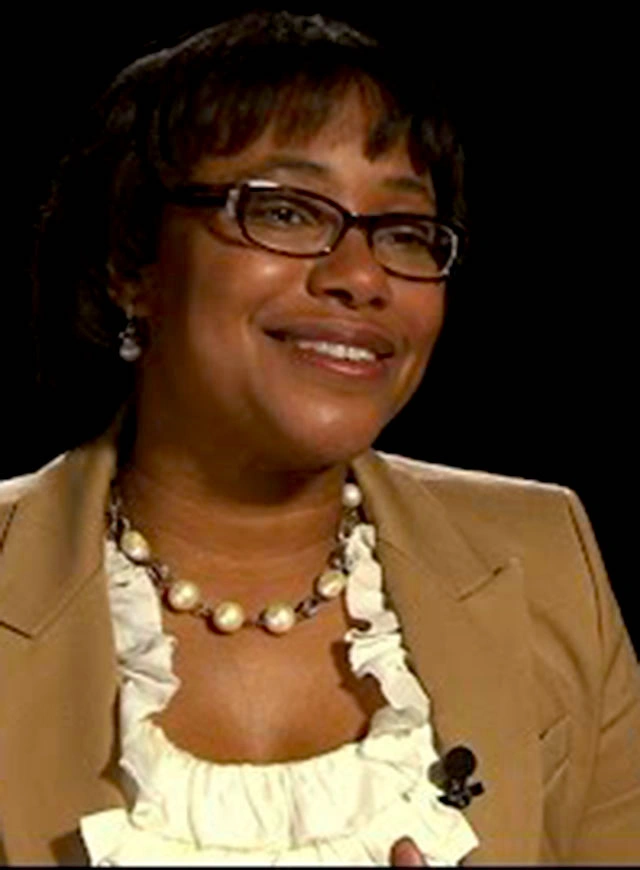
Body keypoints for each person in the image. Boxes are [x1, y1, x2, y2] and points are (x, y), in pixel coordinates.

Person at [0, 10, 638, 866]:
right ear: (133, 261)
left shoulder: (548, 557)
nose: (361, 276)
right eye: (288, 212)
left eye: (404, 231)